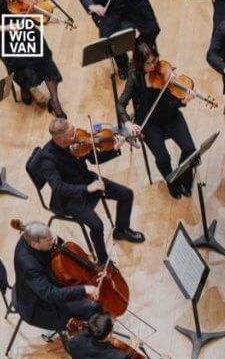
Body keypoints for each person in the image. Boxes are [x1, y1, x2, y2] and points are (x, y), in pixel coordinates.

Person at [38, 118, 145, 264]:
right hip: (70, 199)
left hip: (88, 181)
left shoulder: (78, 141)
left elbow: (95, 159)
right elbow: (59, 188)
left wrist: (115, 148)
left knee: (126, 194)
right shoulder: (47, 159)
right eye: (72, 133)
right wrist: (87, 188)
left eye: (74, 128)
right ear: (61, 140)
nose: (77, 134)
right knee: (97, 225)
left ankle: (121, 230)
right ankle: (102, 260)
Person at [118, 42, 197, 199]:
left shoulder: (164, 70)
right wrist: (128, 123)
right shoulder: (134, 77)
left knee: (190, 149)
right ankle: (171, 182)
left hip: (170, 116)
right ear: (140, 64)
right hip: (150, 124)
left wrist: (183, 101)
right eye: (148, 63)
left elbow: (173, 100)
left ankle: (184, 178)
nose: (154, 66)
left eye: (154, 60)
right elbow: (121, 104)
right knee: (163, 158)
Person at [0, 0, 68, 116]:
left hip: (28, 33)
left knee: (45, 60)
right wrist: (6, 28)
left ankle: (55, 101)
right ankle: (25, 87)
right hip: (8, 41)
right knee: (19, 65)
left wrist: (46, 17)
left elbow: (31, 14)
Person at [13, 222, 101, 330]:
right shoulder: (28, 265)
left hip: (42, 283)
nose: (52, 241)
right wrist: (84, 289)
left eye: (51, 237)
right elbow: (51, 295)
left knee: (77, 292)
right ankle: (90, 336)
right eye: (48, 240)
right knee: (93, 306)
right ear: (34, 244)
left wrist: (54, 242)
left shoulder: (31, 235)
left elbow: (48, 250)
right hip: (39, 306)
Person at [76, 0, 161, 80]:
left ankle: (140, 55)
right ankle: (123, 65)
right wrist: (92, 6)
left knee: (152, 29)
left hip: (133, 2)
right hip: (108, 10)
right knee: (112, 42)